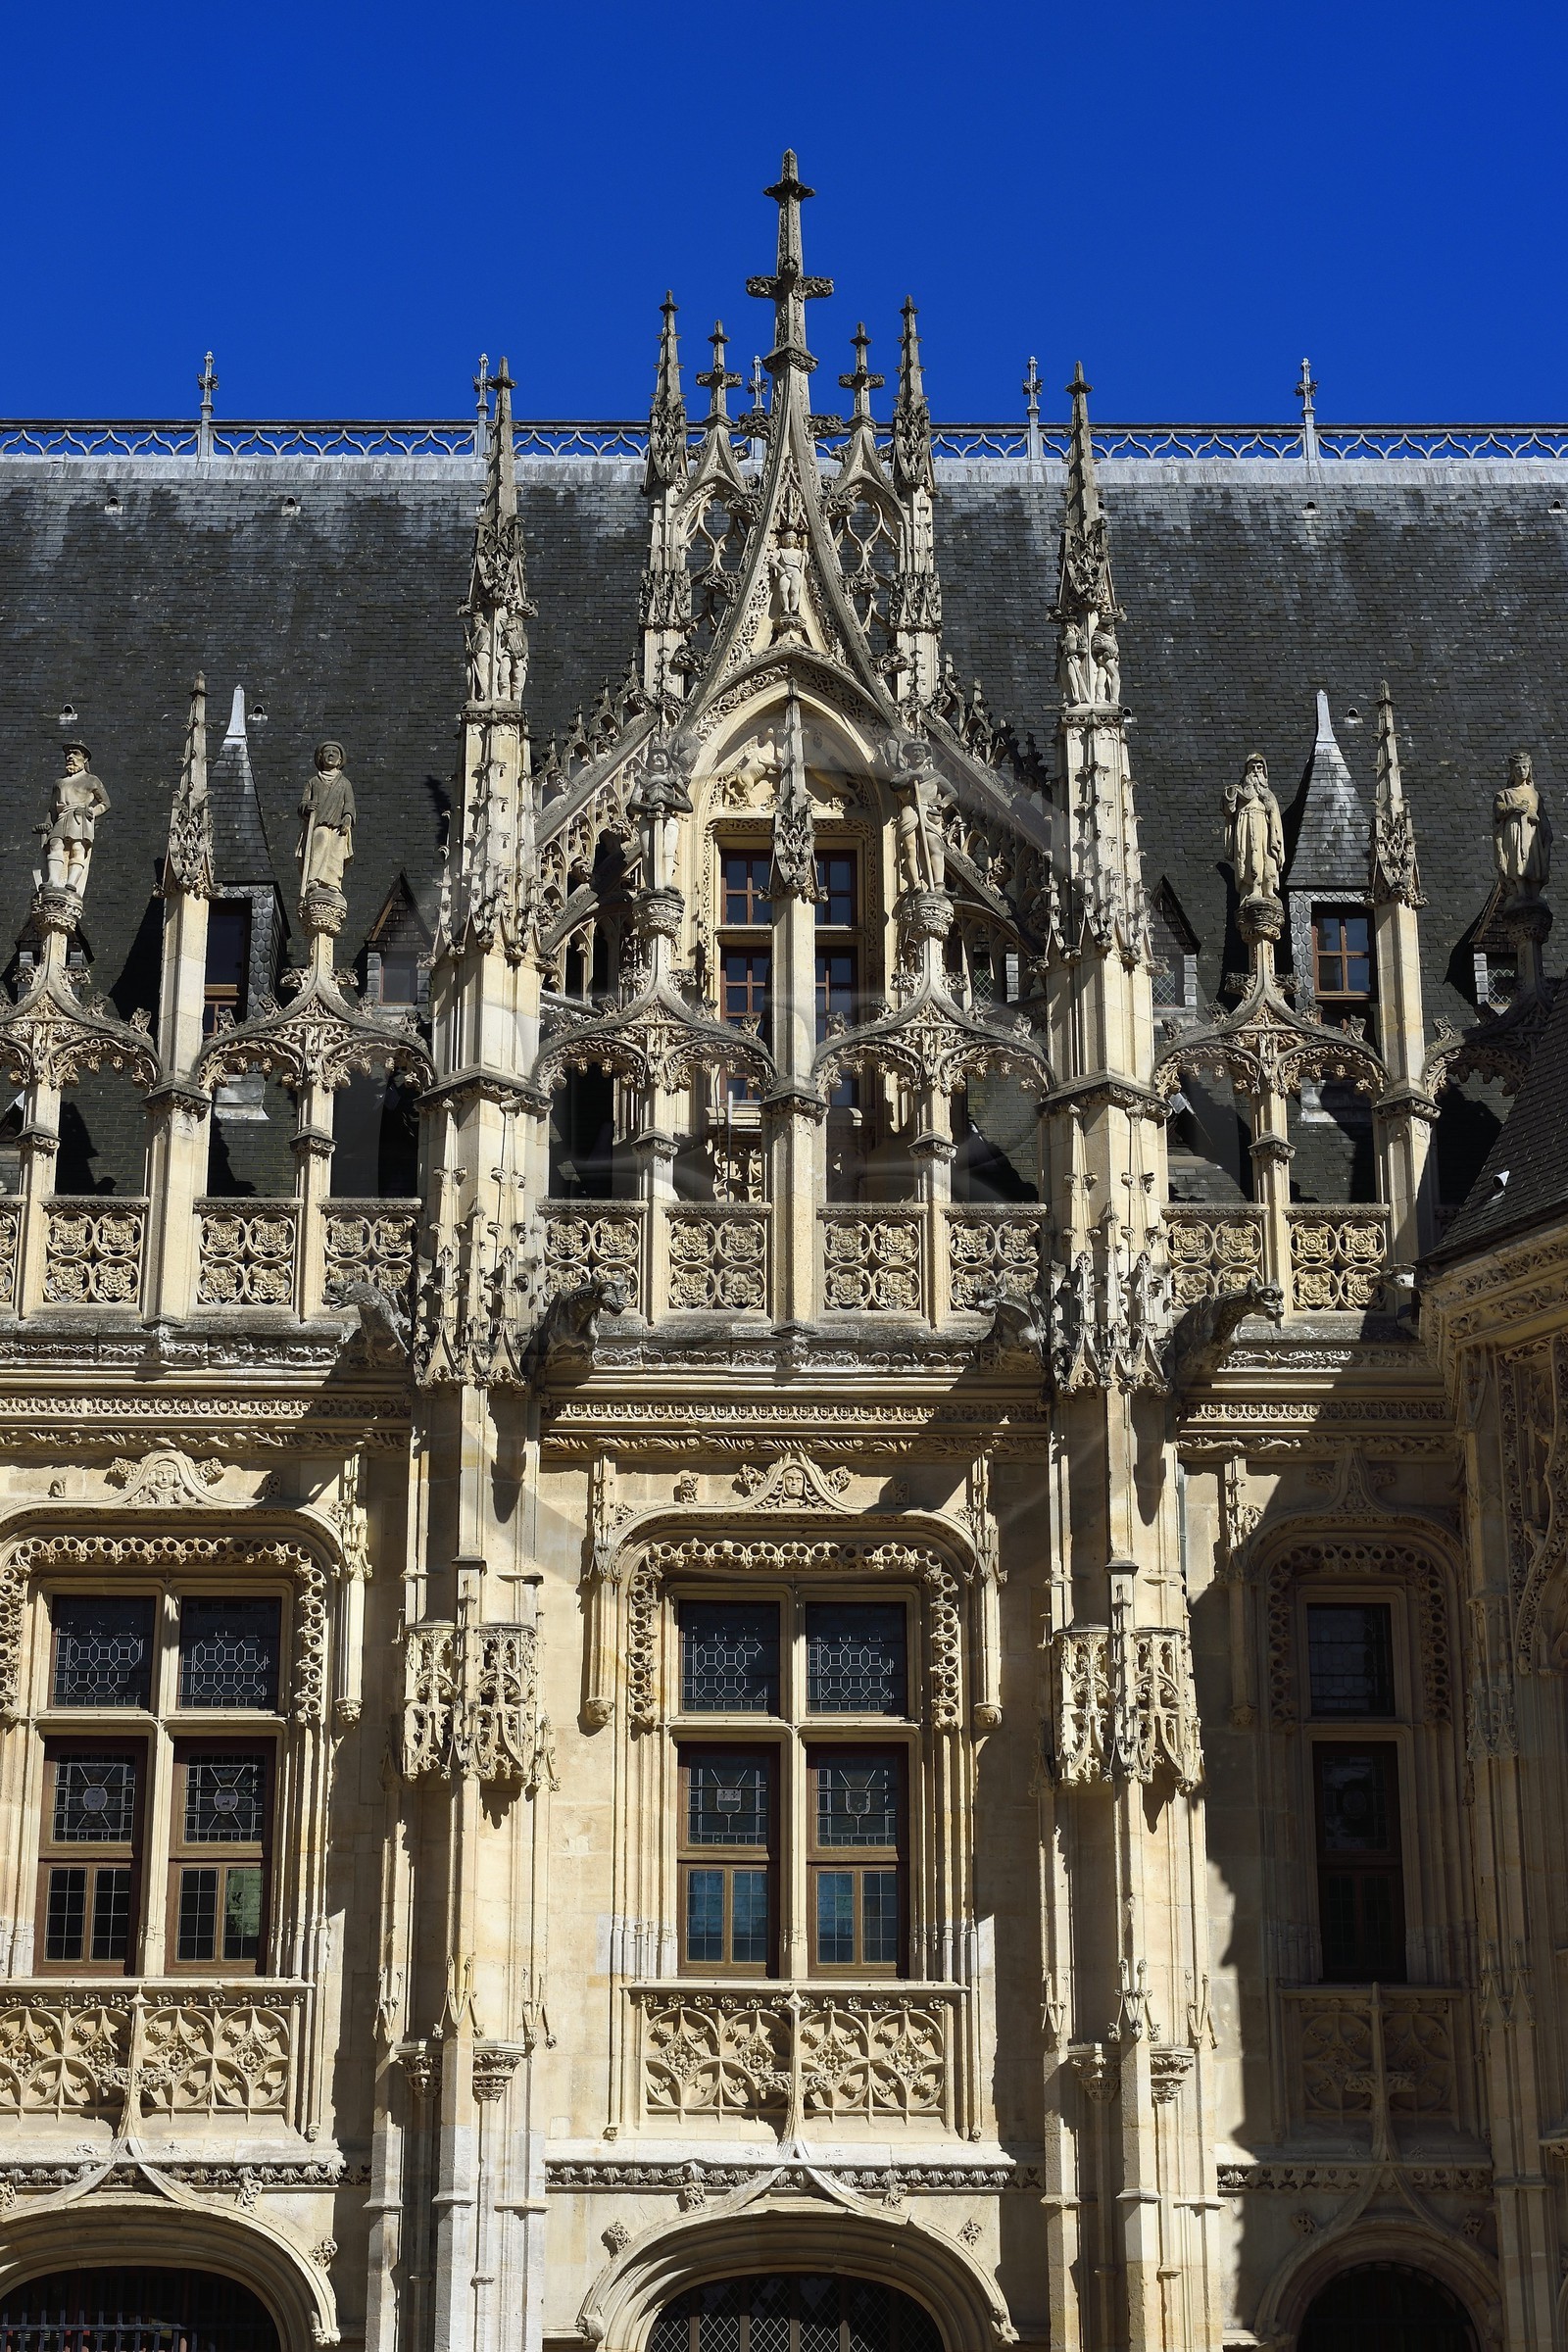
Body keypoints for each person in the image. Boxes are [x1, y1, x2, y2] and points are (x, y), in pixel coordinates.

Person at [41, 742, 110, 896]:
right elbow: (52, 809)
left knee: (77, 848)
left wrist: (92, 811)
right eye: (68, 754)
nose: (70, 757)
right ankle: (53, 880)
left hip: (79, 817)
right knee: (55, 845)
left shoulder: (91, 780)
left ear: (85, 759)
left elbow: (105, 803)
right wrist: (47, 823)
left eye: (75, 754)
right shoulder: (59, 782)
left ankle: (71, 882)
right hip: (62, 816)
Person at [298, 741, 357, 894]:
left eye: (335, 753)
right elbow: (303, 802)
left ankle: (333, 881)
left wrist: (348, 817)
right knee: (321, 838)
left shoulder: (344, 783)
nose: (331, 754)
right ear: (321, 757)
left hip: (338, 825)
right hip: (319, 824)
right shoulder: (313, 782)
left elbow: (349, 803)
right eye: (327, 752)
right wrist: (306, 807)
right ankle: (314, 879)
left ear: (339, 760)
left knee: (337, 849)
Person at [1493, 749, 1552, 896]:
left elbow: (1542, 817)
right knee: (1517, 862)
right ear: (1513, 771)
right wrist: (1514, 807)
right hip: (1515, 833)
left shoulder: (1535, 795)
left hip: (1532, 834)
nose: (1522, 771)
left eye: (1525, 767)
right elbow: (1499, 813)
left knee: (1533, 862)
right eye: (1518, 768)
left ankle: (1532, 893)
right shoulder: (1505, 794)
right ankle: (1520, 892)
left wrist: (1545, 831)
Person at [1225, 753, 1284, 902]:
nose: (1256, 771)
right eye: (1252, 768)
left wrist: (1268, 802)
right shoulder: (1239, 792)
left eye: (1259, 767)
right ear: (1247, 771)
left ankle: (1268, 889)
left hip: (1264, 828)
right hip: (1245, 826)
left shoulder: (1268, 794)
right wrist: (1231, 794)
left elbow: (1274, 814)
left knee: (1267, 857)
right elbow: (1229, 810)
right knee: (1248, 857)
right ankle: (1252, 889)